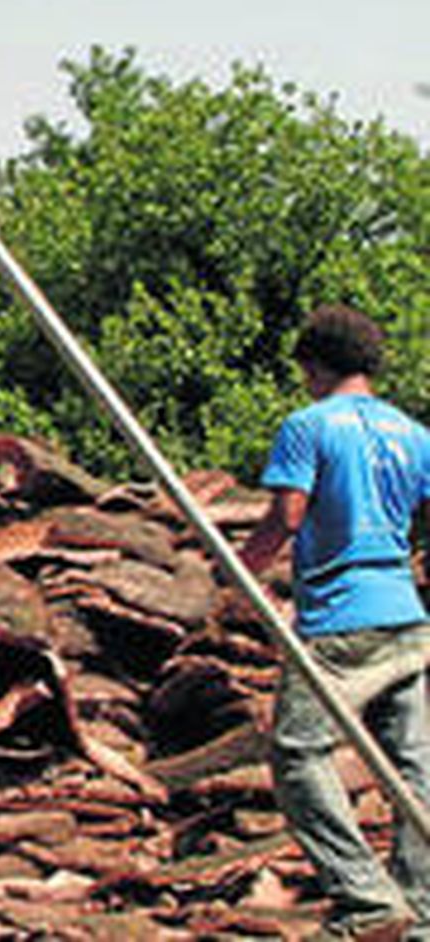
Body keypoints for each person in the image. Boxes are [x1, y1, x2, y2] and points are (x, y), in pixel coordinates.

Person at [239, 305, 430, 940]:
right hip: (405, 618)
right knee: (413, 770)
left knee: (297, 754)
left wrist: (237, 570)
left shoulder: (309, 426)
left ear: (314, 366)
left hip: (339, 621)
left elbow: (287, 517)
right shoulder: (413, 433)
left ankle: (367, 900)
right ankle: (419, 912)